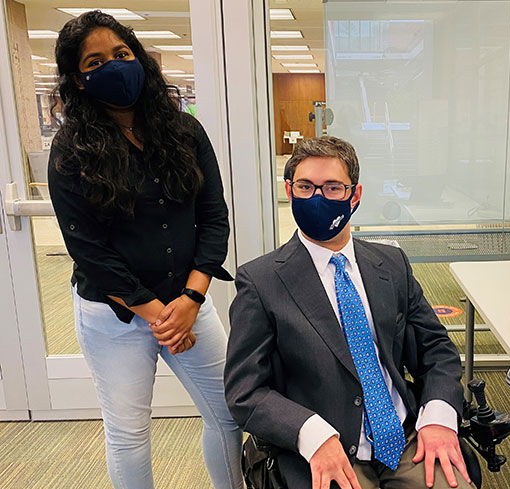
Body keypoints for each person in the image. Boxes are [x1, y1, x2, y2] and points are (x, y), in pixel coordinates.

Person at [47, 11, 242, 489]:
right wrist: (159, 316)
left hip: (189, 303)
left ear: (139, 57)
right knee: (129, 434)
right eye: (96, 61)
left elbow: (214, 218)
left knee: (230, 415)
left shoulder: (183, 131)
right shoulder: (71, 150)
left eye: (121, 53)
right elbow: (88, 250)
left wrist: (192, 300)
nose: (114, 66)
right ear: (78, 79)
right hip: (115, 314)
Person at [225, 136, 476, 489]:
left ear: (354, 196)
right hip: (326, 445)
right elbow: (244, 391)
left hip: (405, 437)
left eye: (332, 188)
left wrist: (437, 417)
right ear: (289, 190)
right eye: (305, 186)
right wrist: (311, 435)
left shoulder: (391, 264)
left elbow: (437, 350)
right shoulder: (262, 281)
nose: (317, 198)